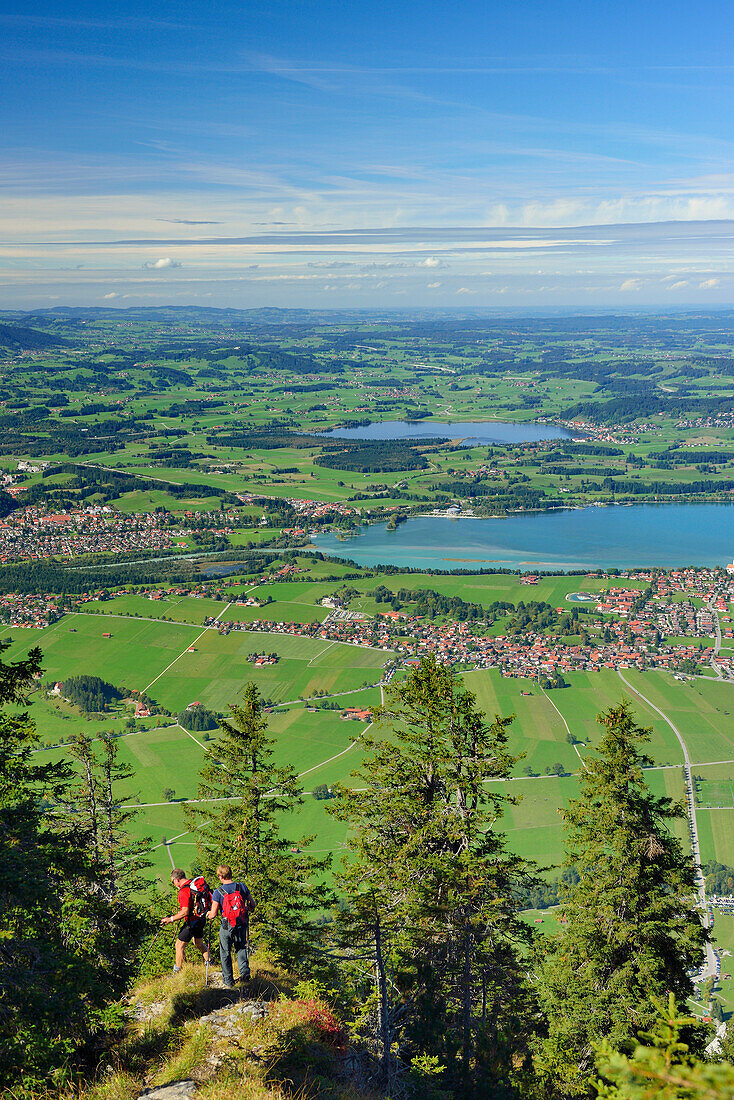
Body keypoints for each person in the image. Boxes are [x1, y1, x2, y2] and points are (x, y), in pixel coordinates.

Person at [207, 864, 256, 989]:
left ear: (220, 876)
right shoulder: (242, 887)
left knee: (225, 952)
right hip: (241, 922)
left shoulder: (218, 892)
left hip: (226, 925)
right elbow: (253, 904)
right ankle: (245, 974)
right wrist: (247, 908)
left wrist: (208, 914)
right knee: (241, 948)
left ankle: (228, 981)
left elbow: (213, 914)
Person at [161, 868, 212, 974]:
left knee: (179, 945)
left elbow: (185, 912)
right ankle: (209, 962)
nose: (174, 884)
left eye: (172, 881)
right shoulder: (193, 885)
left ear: (176, 880)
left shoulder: (184, 891)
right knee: (198, 943)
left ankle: (178, 971)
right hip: (201, 918)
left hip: (192, 922)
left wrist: (170, 919)